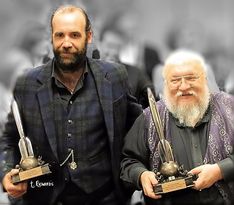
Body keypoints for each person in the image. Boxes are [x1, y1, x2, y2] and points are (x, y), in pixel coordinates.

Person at [0, 5, 142, 205]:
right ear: (51, 38)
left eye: (74, 35)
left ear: (89, 36)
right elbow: (8, 138)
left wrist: (140, 175)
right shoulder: (27, 83)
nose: (66, 43)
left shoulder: (114, 76)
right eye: (60, 35)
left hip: (106, 198)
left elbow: (139, 129)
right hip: (49, 198)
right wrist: (6, 174)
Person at [120, 49, 234, 205]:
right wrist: (141, 176)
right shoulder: (149, 119)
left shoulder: (230, 108)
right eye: (175, 80)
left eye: (191, 78)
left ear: (204, 79)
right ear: (166, 84)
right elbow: (128, 161)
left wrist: (221, 170)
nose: (183, 86)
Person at [99, 24, 157, 108]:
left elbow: (151, 94)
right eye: (110, 46)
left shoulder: (134, 72)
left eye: (117, 47)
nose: (114, 52)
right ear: (99, 45)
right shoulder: (88, 71)